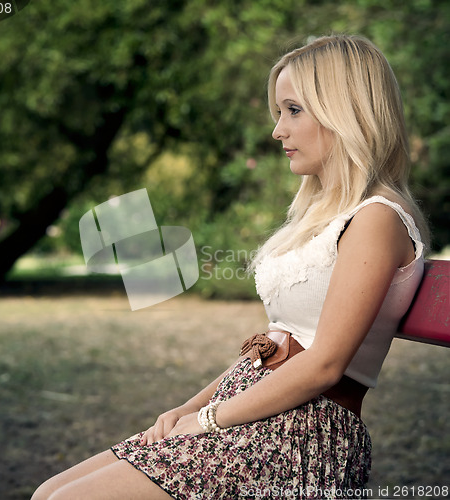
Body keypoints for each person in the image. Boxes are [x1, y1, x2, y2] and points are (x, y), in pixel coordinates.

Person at [31, 34, 430, 500]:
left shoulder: (377, 219)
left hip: (301, 435)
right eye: (278, 112)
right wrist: (186, 408)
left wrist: (204, 421)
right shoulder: (322, 217)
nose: (278, 130)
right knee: (49, 492)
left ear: (346, 111)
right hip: (252, 413)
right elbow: (275, 347)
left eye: (293, 110)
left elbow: (324, 366)